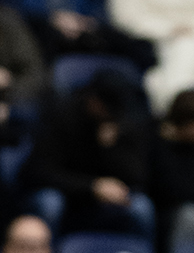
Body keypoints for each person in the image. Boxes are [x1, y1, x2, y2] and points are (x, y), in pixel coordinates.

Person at [23, 68, 154, 242]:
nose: (110, 114)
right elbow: (38, 172)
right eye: (107, 107)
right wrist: (92, 186)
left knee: (141, 207)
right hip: (68, 195)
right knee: (50, 203)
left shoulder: (124, 124)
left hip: (105, 200)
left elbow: (138, 177)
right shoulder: (62, 117)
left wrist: (110, 149)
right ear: (93, 100)